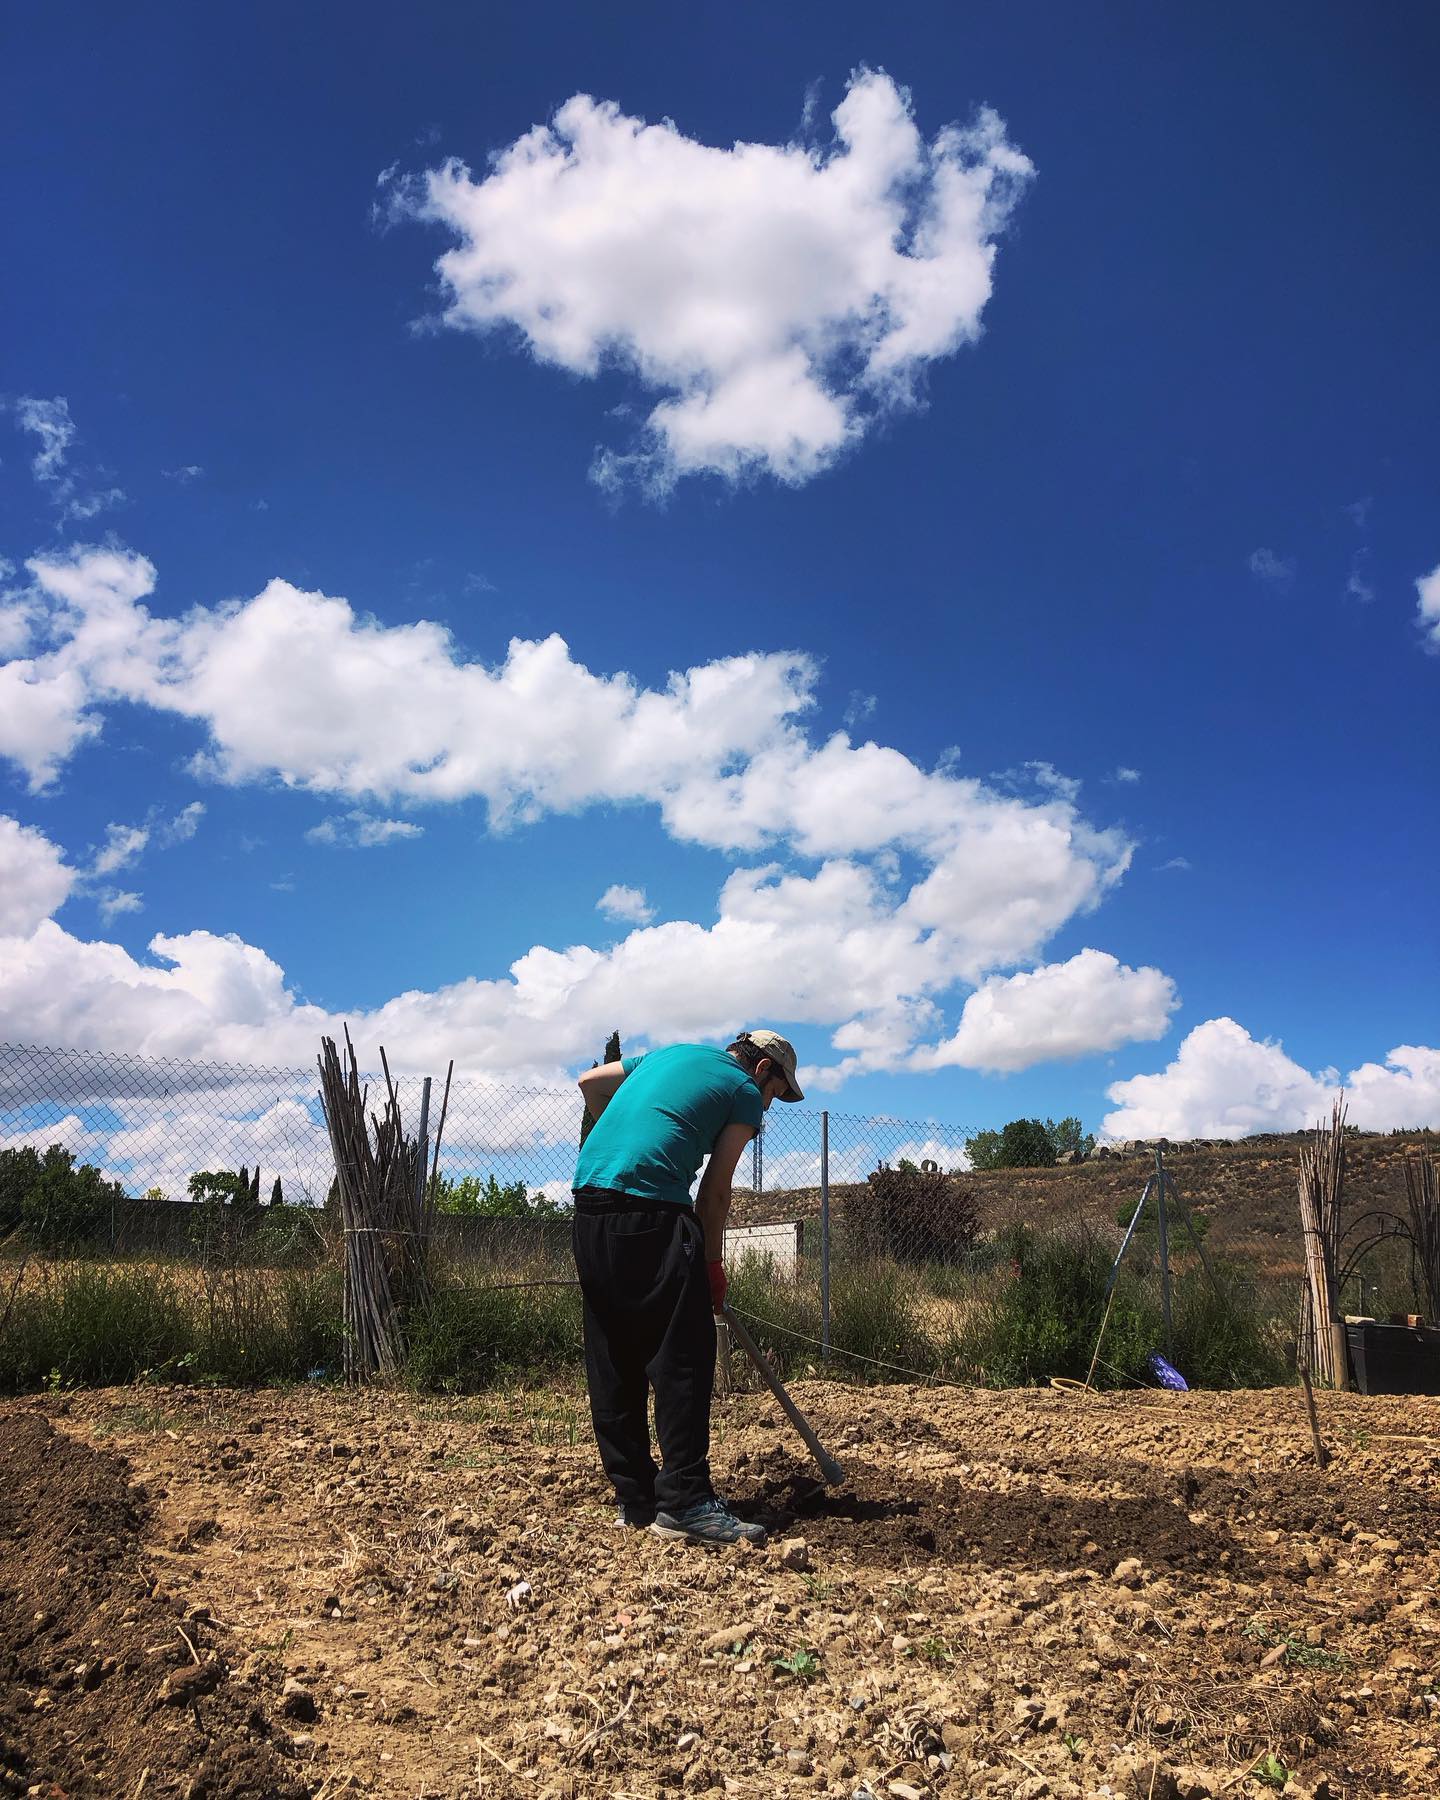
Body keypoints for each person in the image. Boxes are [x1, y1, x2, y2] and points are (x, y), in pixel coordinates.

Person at [571, 1029, 804, 1544]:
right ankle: (687, 1503)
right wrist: (712, 1268)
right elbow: (715, 1190)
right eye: (776, 1093)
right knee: (684, 1355)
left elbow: (590, 1082)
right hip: (653, 1207)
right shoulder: (743, 1089)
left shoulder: (670, 1055)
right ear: (763, 1070)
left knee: (615, 1351)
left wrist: (614, 1137)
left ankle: (637, 1499)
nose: (770, 1106)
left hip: (590, 1204)